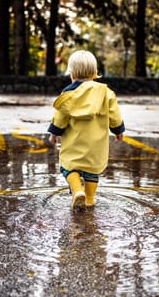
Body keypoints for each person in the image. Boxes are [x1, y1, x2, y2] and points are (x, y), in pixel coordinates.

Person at [47, 50, 125, 210]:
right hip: (96, 145)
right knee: (92, 171)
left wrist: (54, 133)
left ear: (72, 73)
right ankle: (89, 199)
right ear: (95, 72)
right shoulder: (106, 92)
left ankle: (77, 192)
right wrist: (118, 130)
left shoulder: (69, 93)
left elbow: (60, 116)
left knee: (68, 167)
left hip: (74, 143)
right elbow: (114, 113)